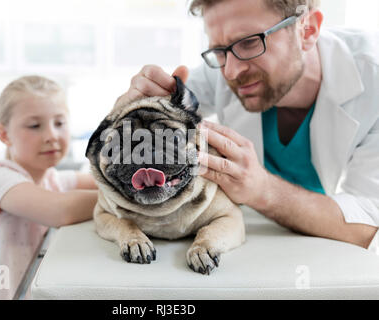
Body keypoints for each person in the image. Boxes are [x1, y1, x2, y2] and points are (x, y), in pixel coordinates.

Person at [115, 0, 379, 252]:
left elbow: (369, 226)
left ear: (307, 30)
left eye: (250, 42)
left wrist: (262, 190)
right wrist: (129, 108)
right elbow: (153, 119)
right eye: (219, 51)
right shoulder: (223, 69)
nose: (231, 72)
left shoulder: (372, 77)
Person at [0, 75, 97, 299]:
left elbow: (101, 181)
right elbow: (60, 210)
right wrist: (123, 199)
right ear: (4, 135)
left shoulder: (52, 180)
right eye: (34, 126)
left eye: (59, 123)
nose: (51, 135)